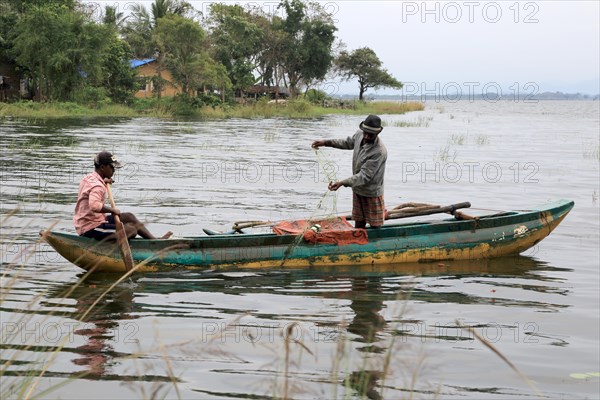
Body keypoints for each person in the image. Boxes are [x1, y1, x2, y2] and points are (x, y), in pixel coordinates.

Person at [73, 151, 172, 240]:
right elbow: (94, 205)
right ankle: (110, 247)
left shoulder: (90, 178)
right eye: (112, 167)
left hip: (95, 221)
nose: (114, 170)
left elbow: (93, 188)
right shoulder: (97, 186)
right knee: (131, 231)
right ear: (103, 167)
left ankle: (154, 240)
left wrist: (104, 181)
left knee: (129, 217)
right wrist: (112, 210)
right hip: (91, 229)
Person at [312, 115, 387, 229]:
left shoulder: (379, 151)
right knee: (359, 222)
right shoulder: (359, 135)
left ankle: (376, 243)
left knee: (375, 225)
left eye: (370, 135)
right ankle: (358, 240)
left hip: (372, 193)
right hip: (357, 189)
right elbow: (347, 143)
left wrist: (342, 183)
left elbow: (364, 176)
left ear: (377, 134)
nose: (366, 136)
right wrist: (325, 142)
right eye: (365, 132)